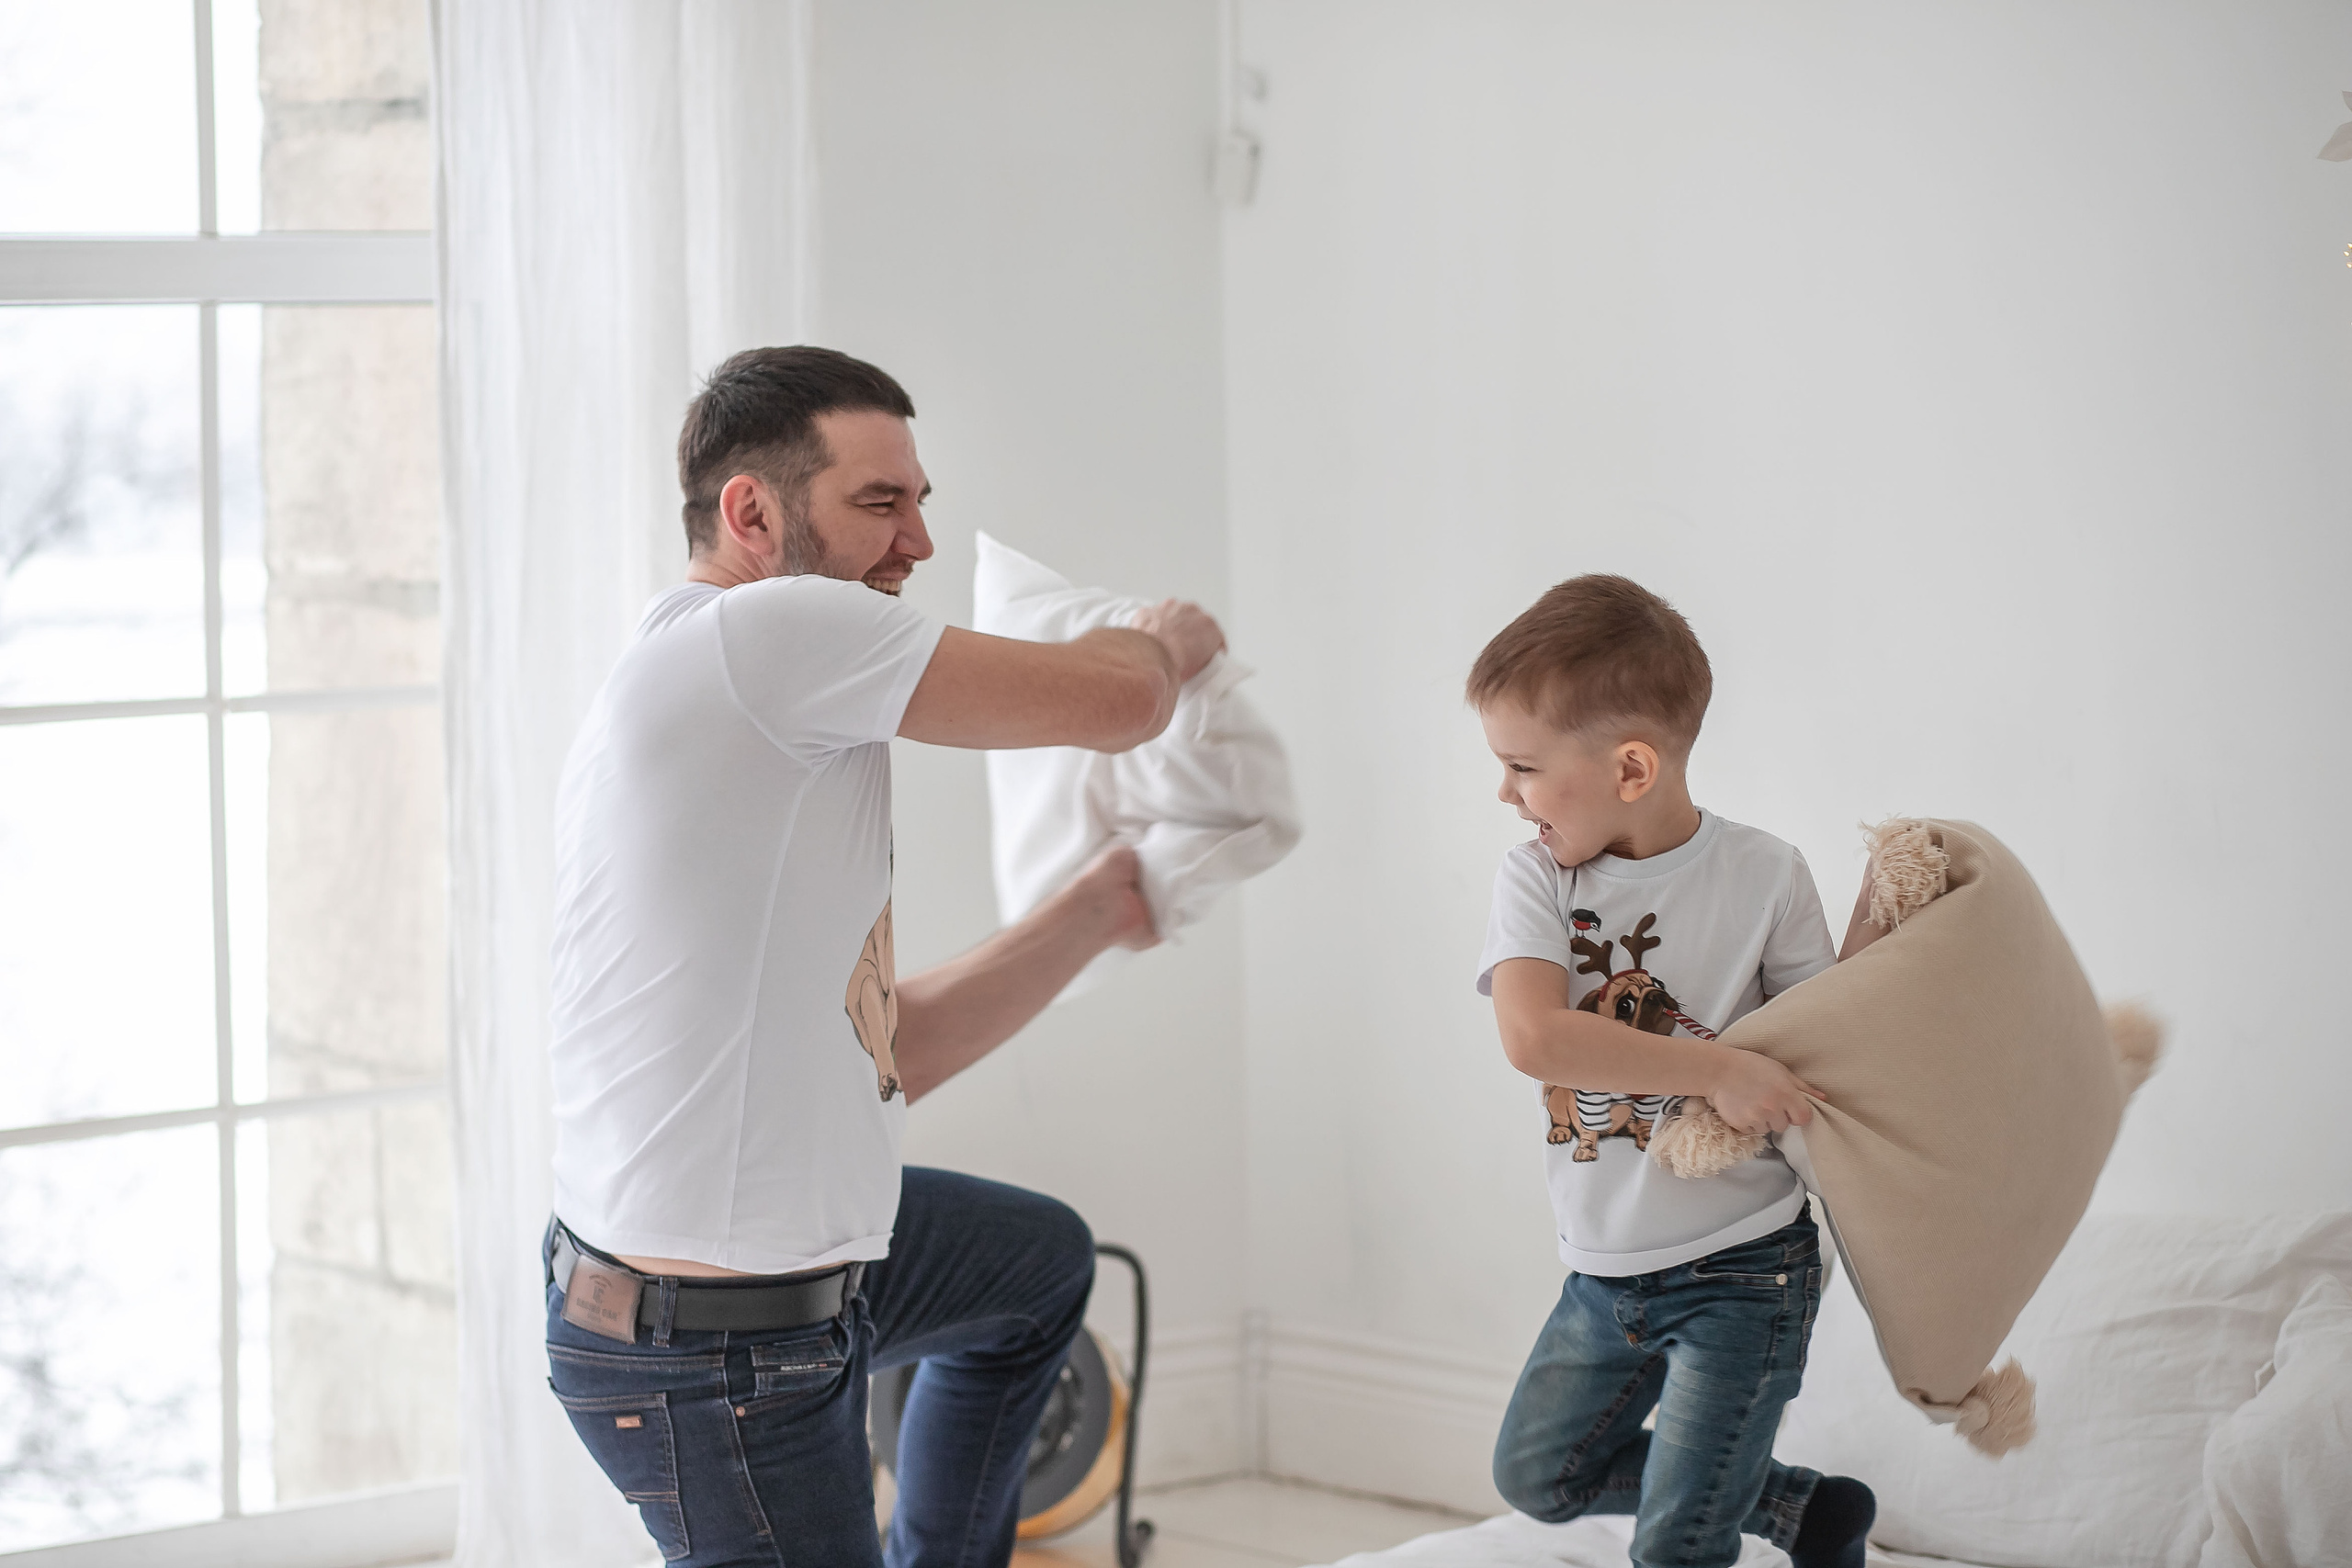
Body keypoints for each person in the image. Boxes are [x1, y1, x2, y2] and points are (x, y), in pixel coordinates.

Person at [541, 345, 1225, 1567]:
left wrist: (1089, 909)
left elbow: (885, 1049)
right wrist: (1159, 641)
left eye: (919, 503)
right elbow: (1119, 701)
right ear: (751, 513)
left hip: (748, 1299)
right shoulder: (767, 633)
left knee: (1035, 1266)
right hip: (716, 1352)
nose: (914, 541)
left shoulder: (749, 700)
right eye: (878, 502)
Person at [1468, 575, 1879, 1568]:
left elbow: (1828, 1037)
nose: (1504, 793)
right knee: (1536, 1476)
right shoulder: (1536, 877)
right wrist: (1714, 1067)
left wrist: (1885, 939)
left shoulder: (1766, 874)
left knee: (1676, 1546)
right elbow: (1536, 1039)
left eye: (1521, 766)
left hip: (1746, 1267)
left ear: (1631, 767)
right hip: (1600, 1275)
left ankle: (1727, 1505)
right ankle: (1801, 1512)